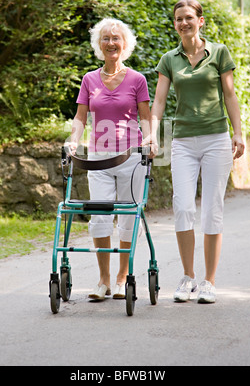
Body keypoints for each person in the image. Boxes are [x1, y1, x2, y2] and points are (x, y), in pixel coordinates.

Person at [143, 0, 245, 303]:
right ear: (175, 24)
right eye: (178, 19)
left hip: (216, 138)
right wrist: (153, 134)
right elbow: (159, 101)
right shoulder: (169, 59)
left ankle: (209, 282)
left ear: (200, 21)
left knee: (212, 208)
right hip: (184, 141)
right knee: (183, 207)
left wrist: (238, 133)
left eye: (189, 17)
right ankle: (188, 278)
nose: (184, 23)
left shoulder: (219, 52)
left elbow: (230, 95)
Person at [68, 18, 151, 301]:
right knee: (100, 218)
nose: (111, 43)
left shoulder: (137, 79)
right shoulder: (89, 79)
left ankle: (122, 277)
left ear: (124, 44)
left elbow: (147, 118)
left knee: (128, 219)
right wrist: (72, 141)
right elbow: (80, 118)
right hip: (99, 160)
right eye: (106, 38)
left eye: (116, 38)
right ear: (98, 44)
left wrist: (150, 140)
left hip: (131, 159)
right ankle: (103, 279)